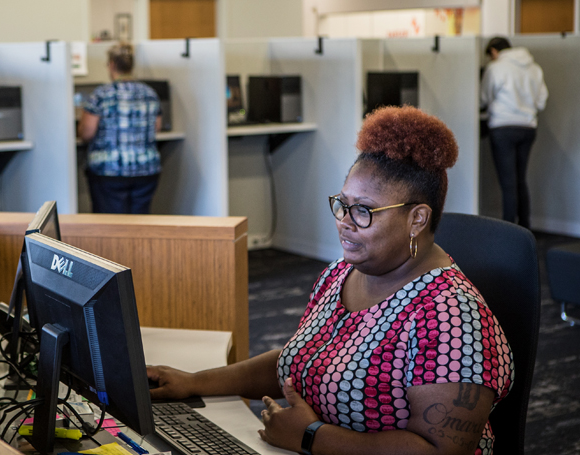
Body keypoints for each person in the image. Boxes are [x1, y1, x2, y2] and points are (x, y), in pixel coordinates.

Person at [148, 106, 514, 455]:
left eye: (364, 211)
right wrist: (194, 382)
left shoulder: (451, 318)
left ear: (417, 219)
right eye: (342, 204)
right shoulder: (342, 272)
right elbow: (303, 359)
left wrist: (311, 438)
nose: (344, 221)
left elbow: (443, 450)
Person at [78, 42, 163, 214]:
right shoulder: (149, 93)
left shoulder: (101, 94)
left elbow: (87, 132)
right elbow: (157, 128)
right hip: (146, 170)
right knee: (139, 224)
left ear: (111, 65)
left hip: (109, 171)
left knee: (111, 227)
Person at [480, 36, 547, 229]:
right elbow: (541, 101)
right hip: (528, 127)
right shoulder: (534, 68)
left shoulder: (496, 67)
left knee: (507, 182)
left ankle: (509, 230)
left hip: (502, 127)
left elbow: (483, 98)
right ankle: (525, 227)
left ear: (494, 51)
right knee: (520, 180)